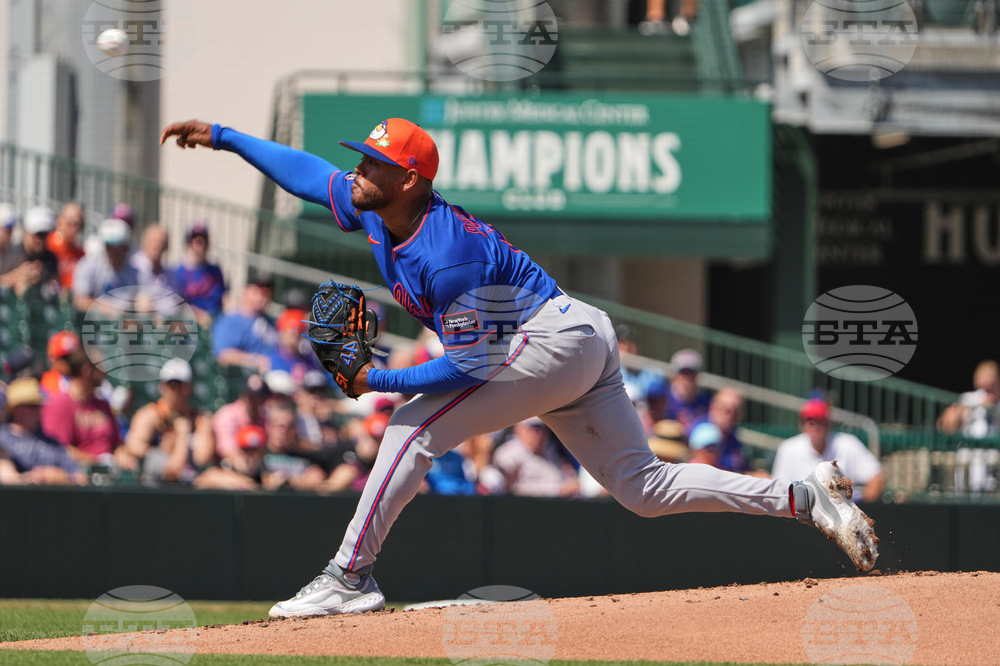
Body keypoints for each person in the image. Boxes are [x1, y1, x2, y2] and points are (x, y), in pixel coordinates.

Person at [161, 116, 879, 618]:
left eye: (375, 163)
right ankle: (804, 497)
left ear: (411, 181)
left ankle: (348, 576)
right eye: (364, 157)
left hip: (551, 340)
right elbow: (310, 174)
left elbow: (468, 369)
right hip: (568, 340)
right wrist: (224, 137)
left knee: (410, 430)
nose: (359, 169)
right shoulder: (378, 208)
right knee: (644, 488)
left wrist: (373, 381)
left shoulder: (449, 256)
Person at [122, 359, 217, 485]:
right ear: (162, 386)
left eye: (181, 385)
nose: (176, 390)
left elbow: (202, 457)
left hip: (191, 482)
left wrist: (180, 439)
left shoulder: (200, 418)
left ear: (190, 387)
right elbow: (134, 445)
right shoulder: (149, 414)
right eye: (171, 385)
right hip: (159, 483)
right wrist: (162, 450)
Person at [772, 399, 885, 503]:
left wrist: (864, 505)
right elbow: (781, 490)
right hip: (803, 514)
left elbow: (875, 476)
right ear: (803, 424)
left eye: (821, 421)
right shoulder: (788, 449)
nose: (816, 426)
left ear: (828, 423)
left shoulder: (848, 444)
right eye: (811, 421)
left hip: (844, 514)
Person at [40, 346, 124, 468]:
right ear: (86, 371)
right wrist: (97, 462)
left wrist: (123, 457)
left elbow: (116, 445)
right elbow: (59, 449)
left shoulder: (103, 405)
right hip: (79, 476)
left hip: (110, 473)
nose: (105, 371)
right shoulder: (59, 404)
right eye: (100, 367)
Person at [0, 377, 87, 485]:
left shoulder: (53, 442)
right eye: (29, 405)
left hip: (55, 499)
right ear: (15, 408)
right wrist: (29, 479)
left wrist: (57, 477)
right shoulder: (3, 438)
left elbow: (81, 478)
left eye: (37, 405)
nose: (35, 410)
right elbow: (7, 478)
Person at [493, 417, 579, 497]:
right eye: (535, 428)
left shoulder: (550, 452)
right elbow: (514, 489)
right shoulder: (510, 452)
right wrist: (558, 490)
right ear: (518, 429)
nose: (540, 433)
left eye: (544, 428)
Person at [211, 275, 278, 373]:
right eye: (258, 292)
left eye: (267, 293)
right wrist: (255, 361)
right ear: (246, 292)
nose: (262, 297)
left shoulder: (271, 322)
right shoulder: (231, 320)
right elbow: (224, 355)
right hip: (245, 377)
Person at [71, 217, 141, 312]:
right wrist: (104, 308)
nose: (111, 250)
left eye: (116, 246)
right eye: (108, 245)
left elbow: (142, 299)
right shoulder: (88, 265)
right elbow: (79, 301)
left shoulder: (135, 273)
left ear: (126, 246)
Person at [169, 221, 227, 326]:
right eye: (195, 238)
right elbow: (177, 304)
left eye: (203, 239)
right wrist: (199, 316)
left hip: (216, 321)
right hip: (190, 324)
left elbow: (224, 299)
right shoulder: (177, 272)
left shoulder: (215, 271)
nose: (199, 242)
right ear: (188, 242)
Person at [0, 206, 60, 297]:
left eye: (45, 235)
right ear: (27, 232)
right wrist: (14, 277)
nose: (41, 240)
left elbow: (56, 288)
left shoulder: (50, 258)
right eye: (38, 234)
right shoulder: (12, 252)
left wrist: (44, 277)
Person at [660, 348, 711, 432]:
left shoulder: (705, 404)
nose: (687, 380)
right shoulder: (662, 399)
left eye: (691, 374)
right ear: (673, 375)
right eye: (683, 373)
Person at [47, 202, 87, 291]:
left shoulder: (81, 254)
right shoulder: (48, 246)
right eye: (71, 223)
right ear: (59, 222)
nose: (75, 229)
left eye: (78, 224)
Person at [40, 330, 81, 399]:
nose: (70, 362)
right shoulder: (48, 383)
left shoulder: (86, 380)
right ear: (54, 359)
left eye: (73, 357)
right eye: (65, 358)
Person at [129, 223, 172, 289]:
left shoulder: (170, 276)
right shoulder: (133, 267)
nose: (157, 246)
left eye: (162, 242)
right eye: (153, 241)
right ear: (143, 243)